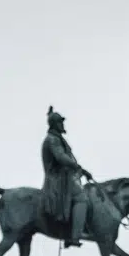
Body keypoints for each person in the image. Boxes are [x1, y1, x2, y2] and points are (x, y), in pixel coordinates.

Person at [40, 106, 93, 247]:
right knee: (82, 198)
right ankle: (74, 236)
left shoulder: (57, 139)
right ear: (55, 124)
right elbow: (61, 157)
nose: (62, 125)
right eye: (60, 122)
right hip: (58, 179)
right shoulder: (53, 139)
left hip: (64, 177)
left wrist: (81, 170)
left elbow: (67, 158)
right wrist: (77, 167)